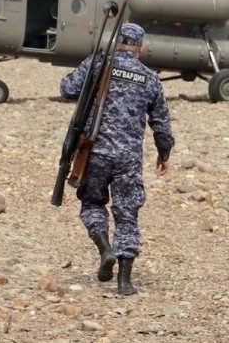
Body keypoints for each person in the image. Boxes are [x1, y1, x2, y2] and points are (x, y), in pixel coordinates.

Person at [59, 23, 174, 296]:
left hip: (94, 152)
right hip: (129, 158)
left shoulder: (97, 65)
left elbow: (67, 89)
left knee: (92, 203)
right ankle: (124, 281)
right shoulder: (149, 77)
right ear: (141, 47)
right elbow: (162, 123)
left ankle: (104, 248)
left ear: (116, 42)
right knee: (127, 214)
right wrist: (164, 153)